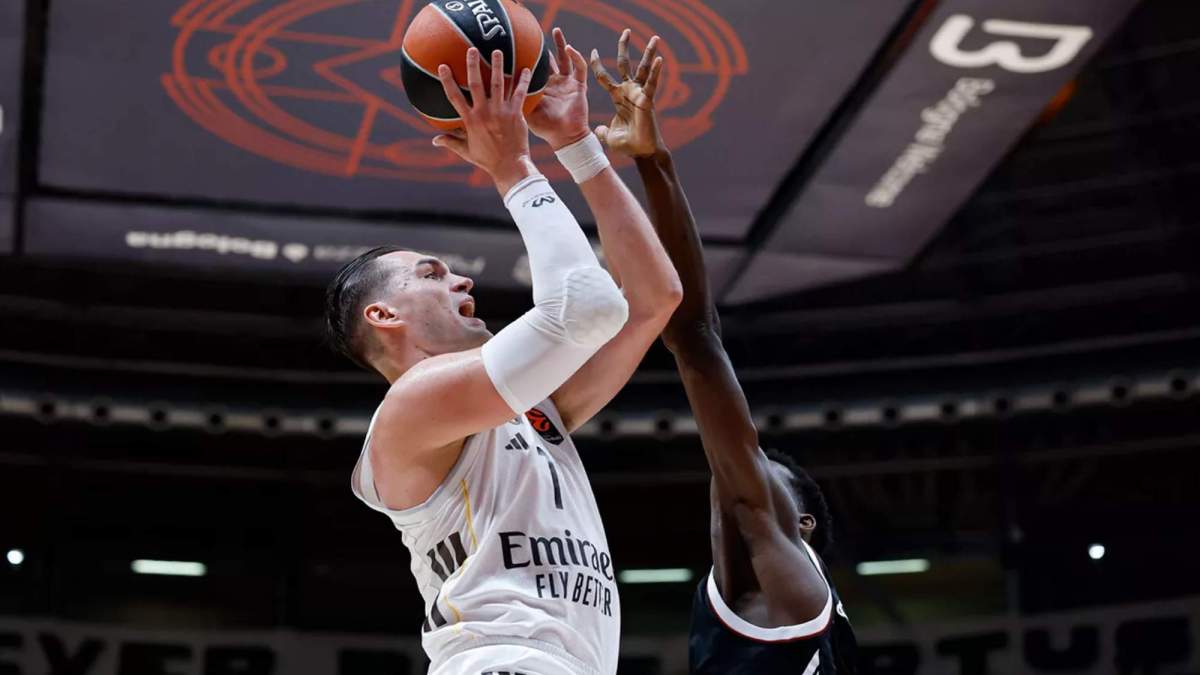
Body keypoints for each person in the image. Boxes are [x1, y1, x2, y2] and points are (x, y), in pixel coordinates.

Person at [323, 30, 681, 675]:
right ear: (383, 316)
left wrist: (579, 146)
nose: (460, 280)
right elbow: (587, 309)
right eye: (430, 275)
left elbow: (653, 298)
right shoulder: (410, 408)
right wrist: (511, 165)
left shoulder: (533, 410)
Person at [589, 32, 858, 674]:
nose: (738, 470)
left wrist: (654, 164)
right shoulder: (819, 622)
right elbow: (696, 338)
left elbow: (696, 338)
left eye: (763, 473)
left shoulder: (780, 579)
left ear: (804, 527)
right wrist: (651, 161)